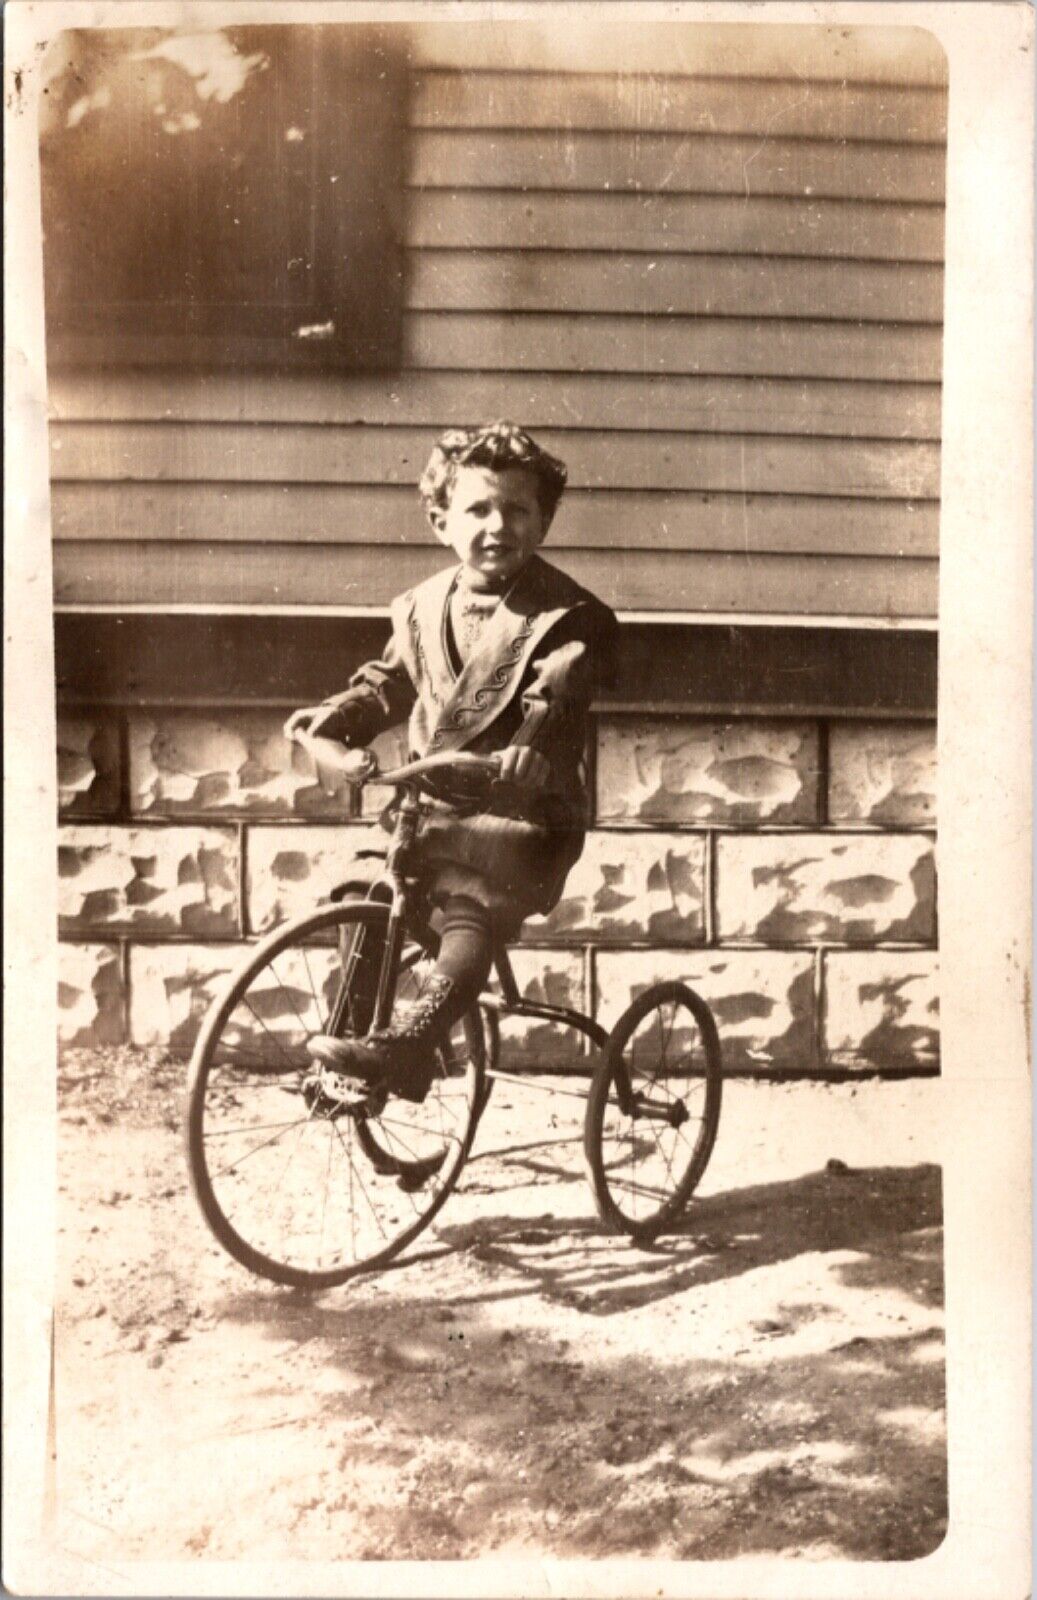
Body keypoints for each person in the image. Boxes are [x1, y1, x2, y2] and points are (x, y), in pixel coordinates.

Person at [284, 421, 618, 1102]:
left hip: (521, 812)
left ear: (543, 521)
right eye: (477, 509)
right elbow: (384, 681)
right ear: (441, 521)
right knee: (364, 897)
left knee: (473, 905)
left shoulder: (568, 614)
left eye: (517, 510)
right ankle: (352, 1050)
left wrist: (531, 747)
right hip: (430, 807)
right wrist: (336, 723)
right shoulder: (417, 608)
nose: (498, 526)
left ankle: (413, 1042)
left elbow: (557, 691)